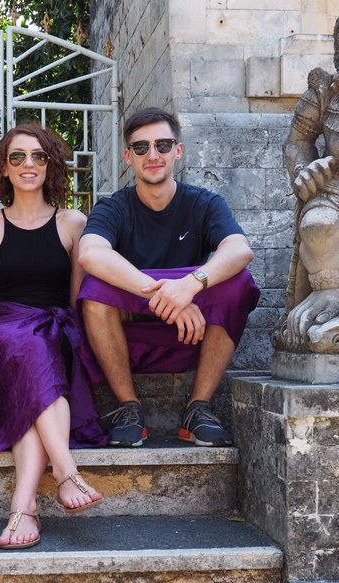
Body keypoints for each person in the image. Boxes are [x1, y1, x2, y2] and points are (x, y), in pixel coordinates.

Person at [78, 107, 259, 448]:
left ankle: (198, 408)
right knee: (95, 288)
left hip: (191, 335)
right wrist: (165, 297)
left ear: (178, 150)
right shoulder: (113, 207)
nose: (153, 155)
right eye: (141, 147)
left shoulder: (204, 203)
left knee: (238, 283)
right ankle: (128, 407)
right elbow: (90, 253)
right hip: (129, 336)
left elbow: (239, 250)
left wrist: (189, 286)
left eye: (162, 145)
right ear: (128, 157)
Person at [0, 124, 107, 550]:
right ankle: (65, 470)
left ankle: (23, 506)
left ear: (50, 165)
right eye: (18, 157)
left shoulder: (73, 222)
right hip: (5, 329)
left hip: (55, 327)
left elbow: (79, 299)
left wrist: (87, 356)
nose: (29, 165)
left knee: (38, 354)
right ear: (4, 169)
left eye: (38, 156)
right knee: (25, 346)